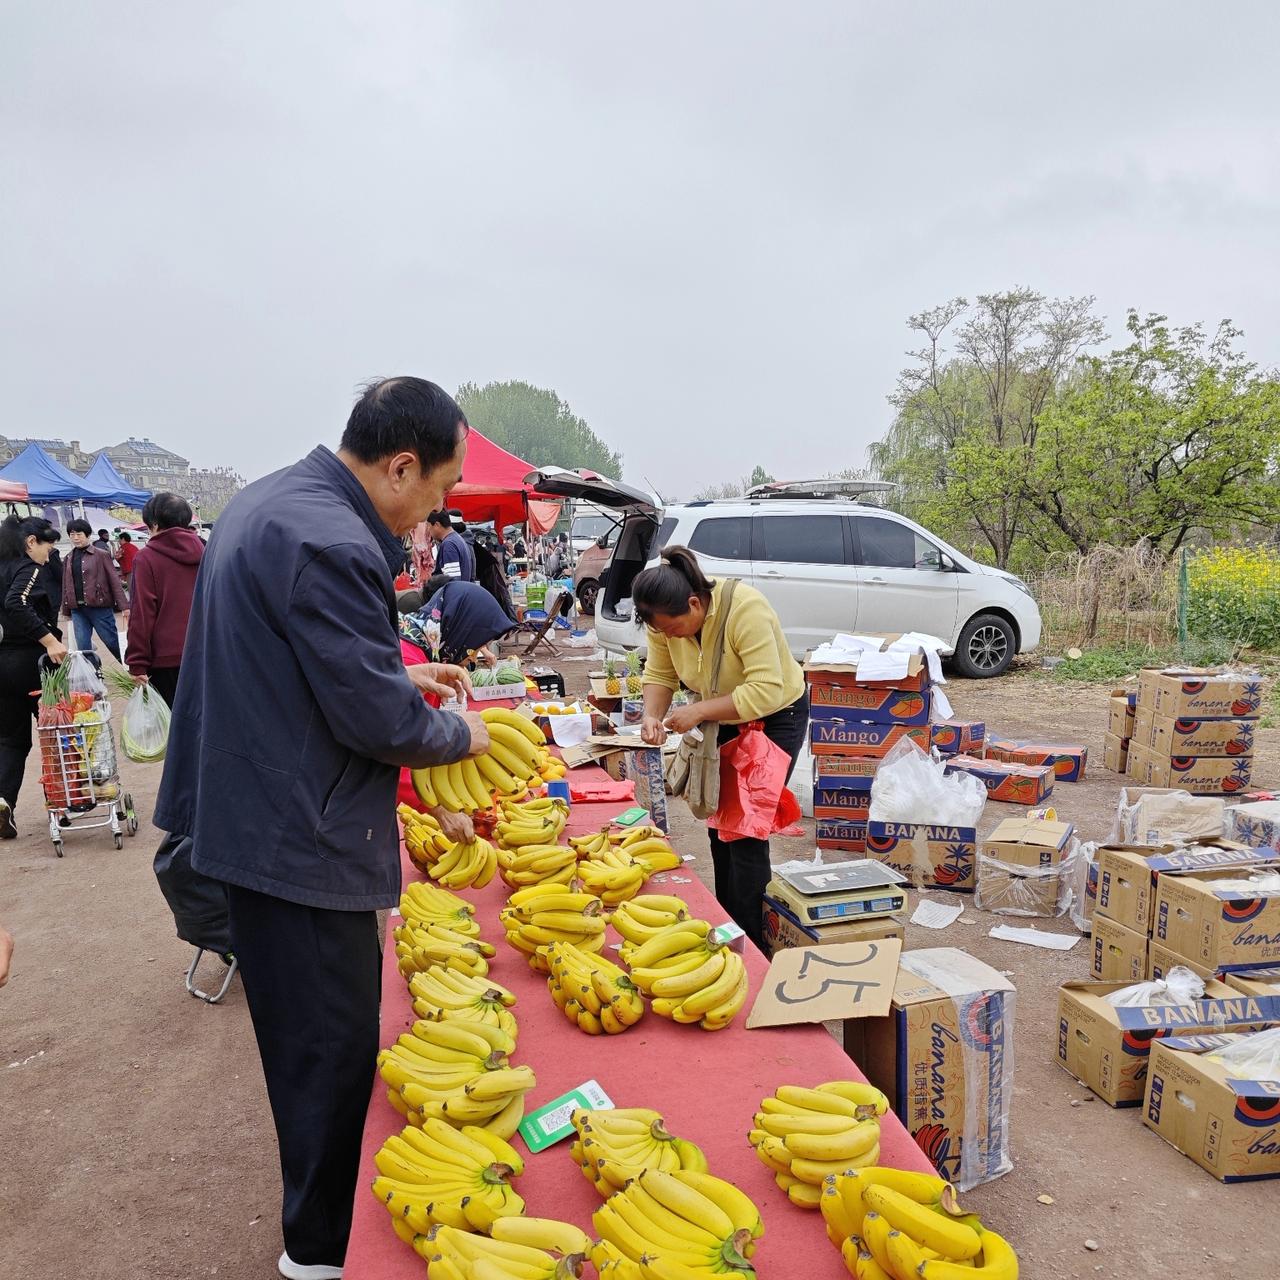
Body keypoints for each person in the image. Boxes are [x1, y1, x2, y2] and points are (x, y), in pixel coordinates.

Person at [154, 376, 490, 1280]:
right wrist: (461, 729)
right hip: (296, 839)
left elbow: (298, 658)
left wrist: (397, 675)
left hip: (255, 810)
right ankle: (316, 1256)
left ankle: (316, 1235)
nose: (437, 510)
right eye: (442, 490)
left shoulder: (272, 500)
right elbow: (376, 726)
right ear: (402, 465)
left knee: (309, 1045)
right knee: (327, 1054)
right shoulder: (337, 541)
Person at [634, 546, 809, 950]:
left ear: (695, 603)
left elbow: (765, 689)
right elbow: (659, 672)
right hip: (721, 714)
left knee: (745, 830)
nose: (669, 636)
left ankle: (750, 944)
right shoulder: (661, 619)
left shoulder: (746, 609)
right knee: (719, 824)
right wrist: (651, 715)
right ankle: (728, 921)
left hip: (775, 715)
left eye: (673, 628)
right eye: (661, 631)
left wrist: (696, 711)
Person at [0, 515, 67, 839]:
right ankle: (61, 803)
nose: (50, 553)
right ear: (31, 543)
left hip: (2, 664)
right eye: (48, 546)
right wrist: (50, 639)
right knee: (55, 732)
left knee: (11, 741)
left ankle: (3, 801)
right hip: (31, 663)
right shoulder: (27, 568)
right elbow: (17, 602)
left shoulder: (2, 566)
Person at [124, 493, 204, 709]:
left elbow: (142, 614)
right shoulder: (206, 552)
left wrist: (137, 663)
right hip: (207, 653)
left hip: (167, 661)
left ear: (154, 524)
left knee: (175, 726)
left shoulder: (147, 558)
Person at [404, 576, 519, 667]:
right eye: (475, 647)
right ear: (460, 630)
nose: (474, 659)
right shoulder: (411, 661)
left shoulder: (427, 642)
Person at [61, 518, 127, 662]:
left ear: (88, 535)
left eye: (79, 534)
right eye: (72, 534)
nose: (75, 538)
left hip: (99, 607)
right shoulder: (68, 557)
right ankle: (95, 678)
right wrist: (65, 609)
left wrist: (124, 606)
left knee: (112, 642)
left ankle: (134, 671)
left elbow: (114, 581)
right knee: (83, 649)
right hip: (78, 610)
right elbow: (66, 585)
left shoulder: (101, 554)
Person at [426, 507, 475, 581]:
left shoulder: (449, 545)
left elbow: (453, 581)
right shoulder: (457, 538)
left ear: (437, 525)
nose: (428, 530)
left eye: (428, 526)